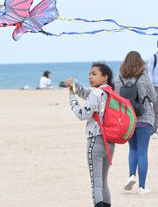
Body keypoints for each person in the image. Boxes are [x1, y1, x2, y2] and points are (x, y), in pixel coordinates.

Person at [65, 63, 115, 207]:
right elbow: (86, 93)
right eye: (89, 74)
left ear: (105, 77)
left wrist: (72, 98)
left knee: (96, 184)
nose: (90, 76)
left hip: (95, 141)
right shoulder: (110, 92)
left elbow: (82, 115)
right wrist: (74, 84)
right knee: (104, 181)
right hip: (110, 143)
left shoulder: (96, 93)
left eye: (94, 74)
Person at [114, 51, 157, 194]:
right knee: (142, 152)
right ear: (140, 63)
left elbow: (115, 99)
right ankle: (142, 187)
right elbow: (154, 97)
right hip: (144, 118)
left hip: (128, 120)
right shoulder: (144, 78)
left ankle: (131, 175)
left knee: (132, 149)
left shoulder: (119, 79)